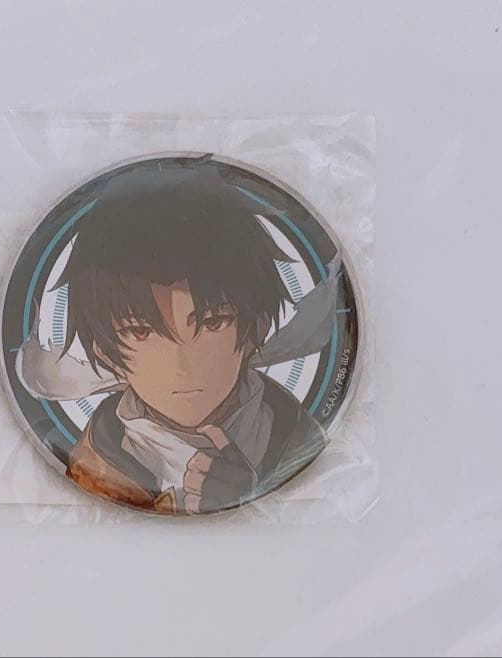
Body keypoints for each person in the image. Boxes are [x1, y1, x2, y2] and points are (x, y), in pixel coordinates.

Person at [17, 158, 337, 514]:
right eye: (140, 331)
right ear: (104, 352)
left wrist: (246, 503)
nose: (182, 365)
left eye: (212, 322)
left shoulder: (297, 439)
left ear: (256, 327)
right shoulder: (93, 467)